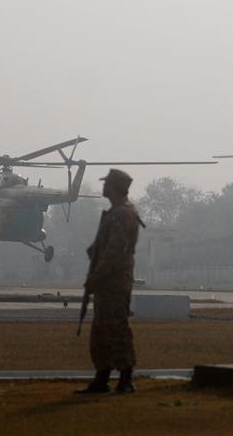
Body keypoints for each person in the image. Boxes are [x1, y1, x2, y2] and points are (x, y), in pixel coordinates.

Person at [76, 169, 142, 395]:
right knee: (101, 332)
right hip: (107, 282)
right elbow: (105, 248)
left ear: (114, 187)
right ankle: (102, 377)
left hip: (114, 281)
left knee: (117, 329)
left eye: (107, 184)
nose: (103, 187)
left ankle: (126, 379)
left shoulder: (123, 214)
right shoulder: (115, 213)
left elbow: (115, 252)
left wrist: (97, 276)